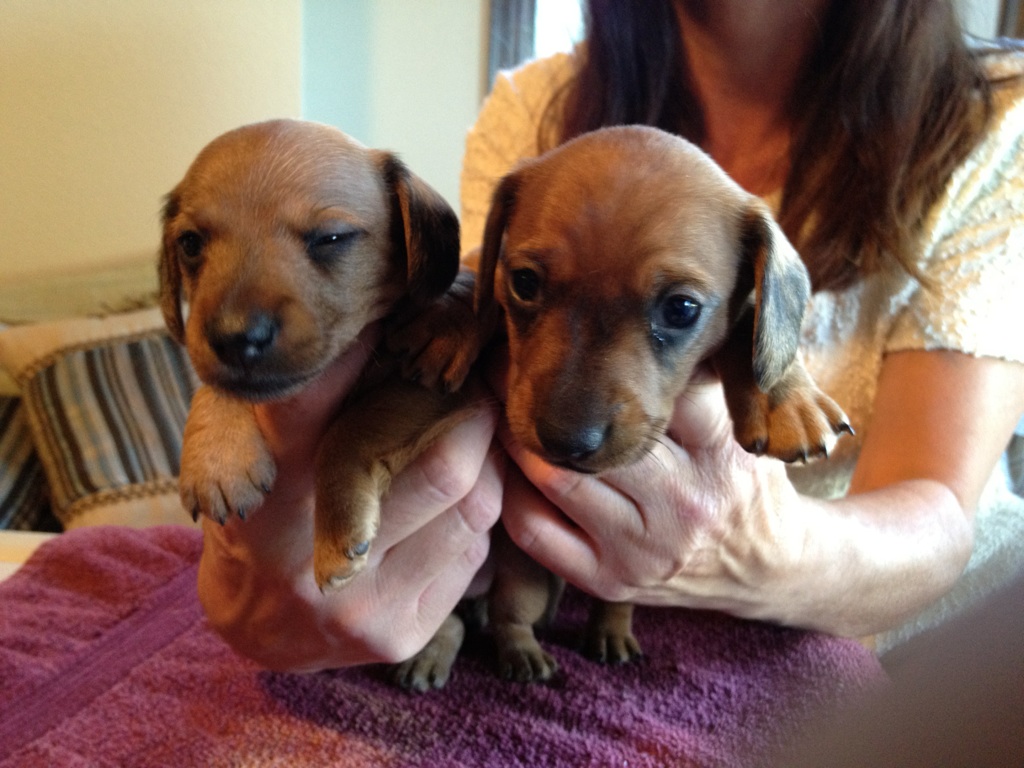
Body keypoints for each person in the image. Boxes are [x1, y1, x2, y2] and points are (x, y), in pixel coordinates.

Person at [197, 0, 1024, 670]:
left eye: (677, 311)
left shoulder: (1000, 124)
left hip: (898, 660)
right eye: (527, 286)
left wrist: (757, 540)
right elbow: (467, 320)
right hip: (541, 615)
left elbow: (941, 509)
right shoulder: (538, 108)